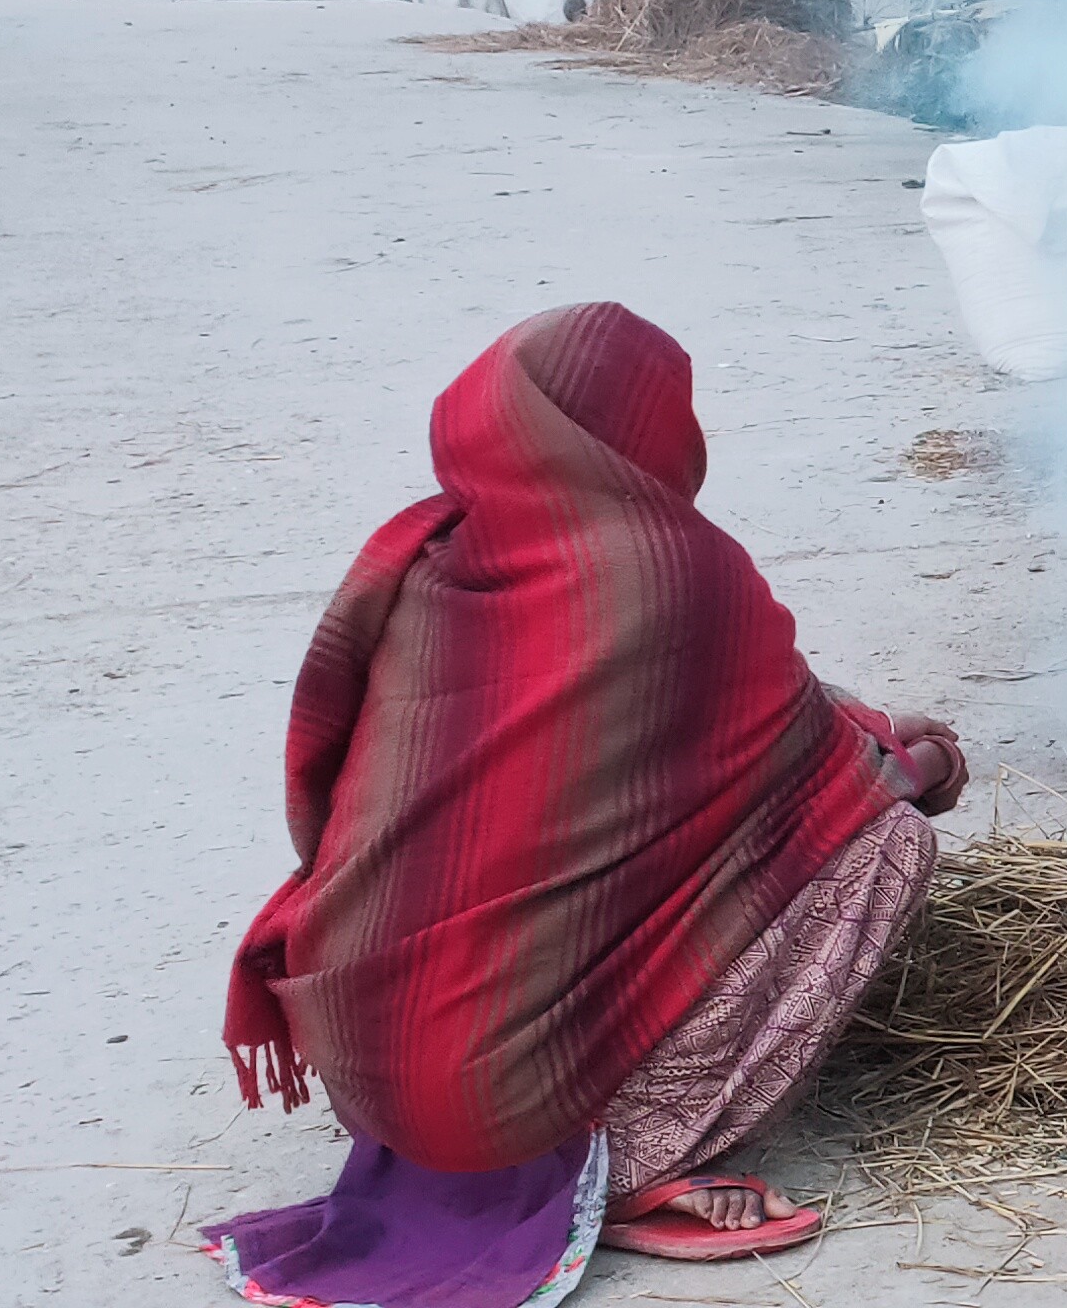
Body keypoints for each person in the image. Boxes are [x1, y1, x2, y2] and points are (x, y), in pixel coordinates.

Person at [204, 303, 969, 1307]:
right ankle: (636, 1155)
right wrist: (923, 757)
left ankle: (539, 1111)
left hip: (372, 1061)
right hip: (491, 1098)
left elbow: (757, 715)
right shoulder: (672, 569)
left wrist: (853, 727)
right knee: (885, 840)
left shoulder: (422, 554)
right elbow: (851, 775)